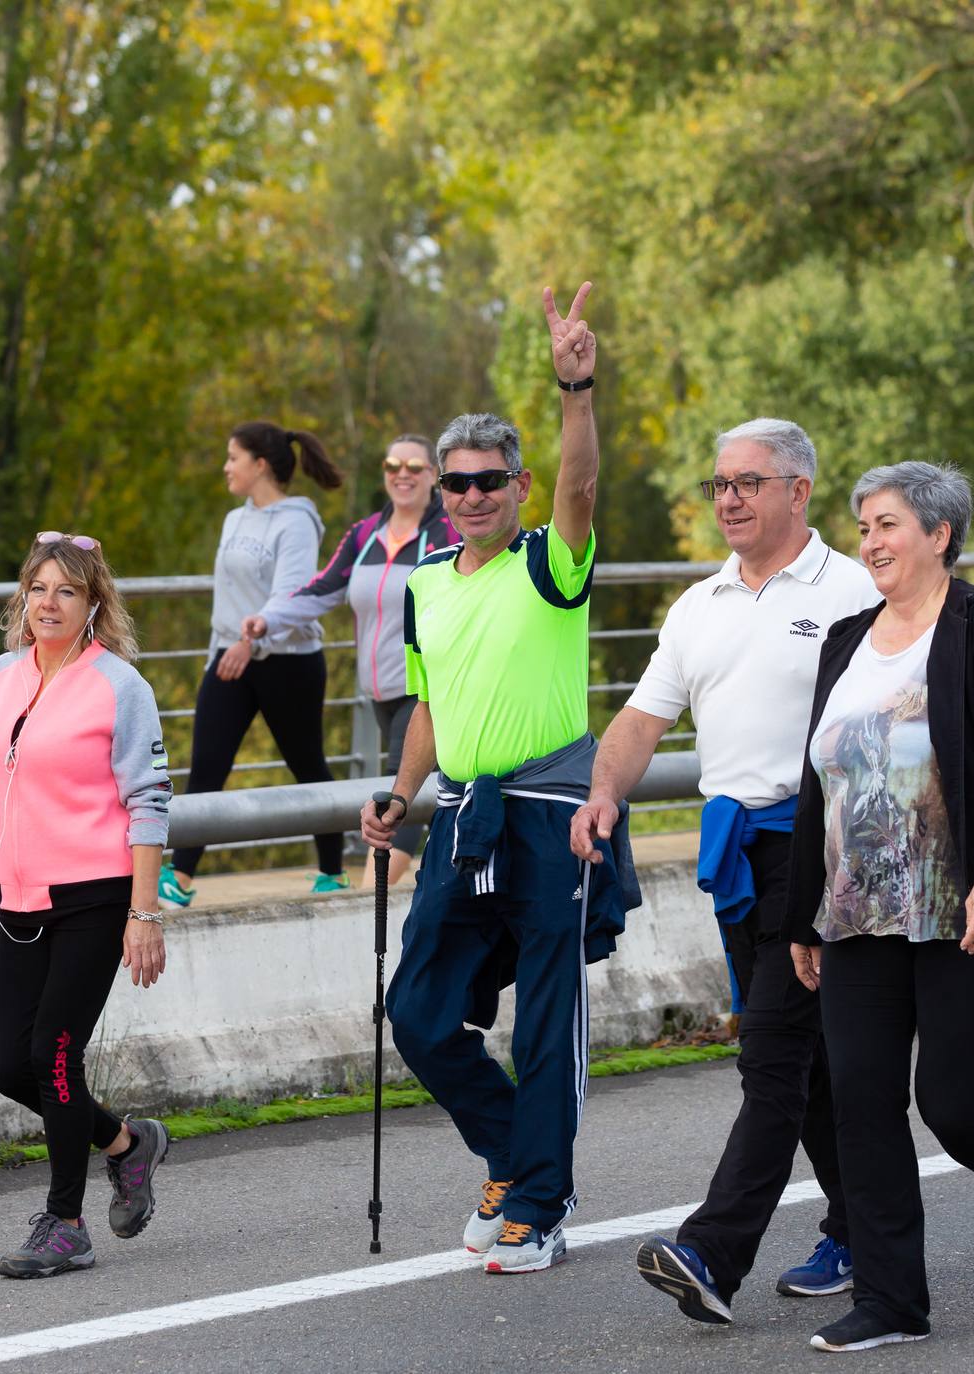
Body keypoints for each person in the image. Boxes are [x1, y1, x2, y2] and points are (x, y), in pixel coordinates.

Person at [782, 461, 974, 1353]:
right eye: (864, 526)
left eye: (887, 524)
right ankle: (891, 1303)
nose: (869, 541)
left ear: (938, 534)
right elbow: (821, 783)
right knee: (863, 1105)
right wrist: (802, 912)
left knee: (954, 1105)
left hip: (963, 905)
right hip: (855, 913)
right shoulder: (844, 641)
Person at [568, 419, 880, 1324]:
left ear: (798, 491)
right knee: (809, 1064)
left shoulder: (852, 589)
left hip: (823, 847)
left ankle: (710, 1249)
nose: (730, 499)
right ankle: (860, 1232)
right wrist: (603, 795)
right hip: (738, 853)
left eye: (749, 481)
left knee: (772, 1057)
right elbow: (639, 719)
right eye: (719, 484)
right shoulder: (699, 603)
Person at [361, 282, 636, 1275]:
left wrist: (576, 390)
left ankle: (538, 1202)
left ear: (516, 486)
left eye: (488, 481)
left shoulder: (549, 564)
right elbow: (429, 709)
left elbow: (584, 489)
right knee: (421, 1014)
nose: (471, 496)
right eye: (455, 484)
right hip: (463, 816)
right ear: (438, 493)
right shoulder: (426, 587)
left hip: (554, 811)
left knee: (548, 1017)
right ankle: (516, 1160)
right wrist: (398, 792)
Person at [0, 530, 174, 1279]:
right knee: (11, 1069)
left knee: (53, 1056)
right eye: (39, 589)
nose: (49, 604)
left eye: (68, 590)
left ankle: (65, 1223)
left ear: (94, 602)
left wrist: (144, 911)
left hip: (96, 898)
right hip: (19, 901)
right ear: (21, 598)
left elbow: (148, 802)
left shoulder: (118, 686)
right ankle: (128, 1145)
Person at [243, 433, 457, 886]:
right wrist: (268, 619)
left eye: (415, 467)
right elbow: (322, 588)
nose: (403, 474)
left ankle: (368, 894)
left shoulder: (446, 535)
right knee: (429, 788)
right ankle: (444, 874)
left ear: (434, 477)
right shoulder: (364, 535)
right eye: (393, 464)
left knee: (408, 788)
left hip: (428, 688)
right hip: (379, 690)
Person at [160, 421, 347, 906]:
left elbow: (290, 595)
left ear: (260, 465)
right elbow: (227, 598)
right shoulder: (233, 519)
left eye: (233, 458)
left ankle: (332, 870)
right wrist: (223, 650)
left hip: (288, 661)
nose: (226, 467)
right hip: (229, 657)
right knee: (206, 765)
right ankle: (179, 876)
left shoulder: (297, 522)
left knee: (307, 765)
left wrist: (252, 643)